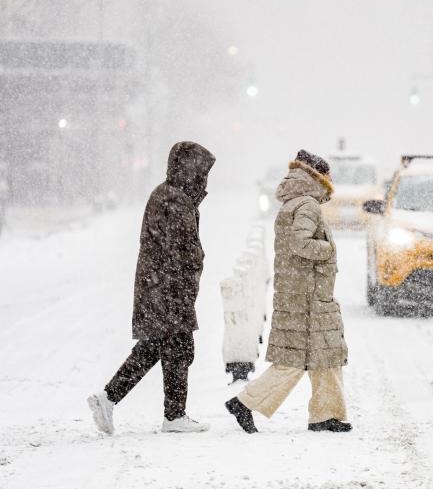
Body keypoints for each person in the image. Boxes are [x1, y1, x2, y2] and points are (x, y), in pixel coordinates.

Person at [88, 141, 215, 434]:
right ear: (188, 170)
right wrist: (189, 274)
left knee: (158, 347)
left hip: (162, 287)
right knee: (177, 347)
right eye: (201, 172)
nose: (204, 179)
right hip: (167, 289)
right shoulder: (174, 199)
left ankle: (112, 400)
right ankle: (172, 416)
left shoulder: (172, 195)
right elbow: (182, 249)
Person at [225, 150, 350, 434]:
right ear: (318, 177)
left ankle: (327, 415)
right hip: (308, 296)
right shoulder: (307, 205)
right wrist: (329, 249)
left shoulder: (295, 203)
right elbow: (301, 244)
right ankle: (245, 403)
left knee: (324, 356)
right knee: (296, 361)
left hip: (303, 291)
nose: (331, 179)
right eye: (328, 174)